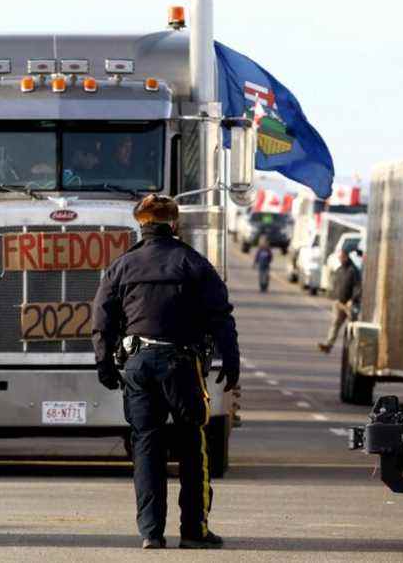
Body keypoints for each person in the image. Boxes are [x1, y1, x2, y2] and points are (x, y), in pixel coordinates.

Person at [92, 195, 240, 550]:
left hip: (138, 365)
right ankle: (194, 531)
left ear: (140, 225)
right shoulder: (193, 263)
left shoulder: (121, 266)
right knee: (192, 446)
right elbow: (221, 316)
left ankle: (151, 533)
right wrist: (231, 362)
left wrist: (105, 364)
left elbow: (101, 320)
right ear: (174, 225)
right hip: (182, 366)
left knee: (146, 446)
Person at [318, 248, 361, 353]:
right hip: (339, 303)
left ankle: (355, 348)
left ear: (346, 257)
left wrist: (353, 299)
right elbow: (336, 284)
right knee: (335, 324)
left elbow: (358, 287)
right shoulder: (339, 270)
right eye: (339, 258)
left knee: (353, 326)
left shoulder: (353, 271)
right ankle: (328, 345)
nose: (340, 259)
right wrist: (334, 297)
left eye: (342, 257)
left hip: (349, 304)